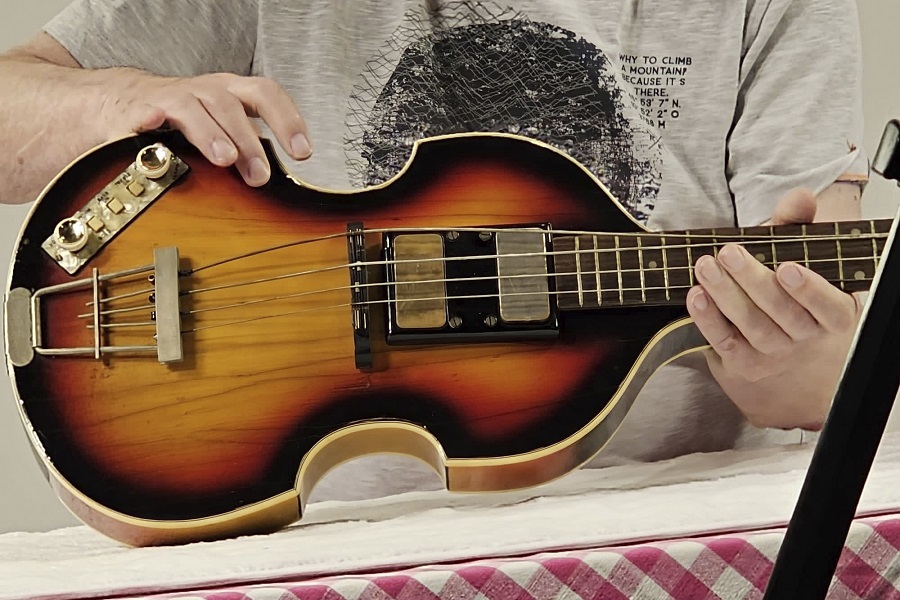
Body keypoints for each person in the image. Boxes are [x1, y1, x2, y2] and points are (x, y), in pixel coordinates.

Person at [0, 0, 869, 500]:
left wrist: (800, 370)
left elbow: (817, 371)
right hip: (320, 556)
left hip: (665, 540)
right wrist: (113, 98)